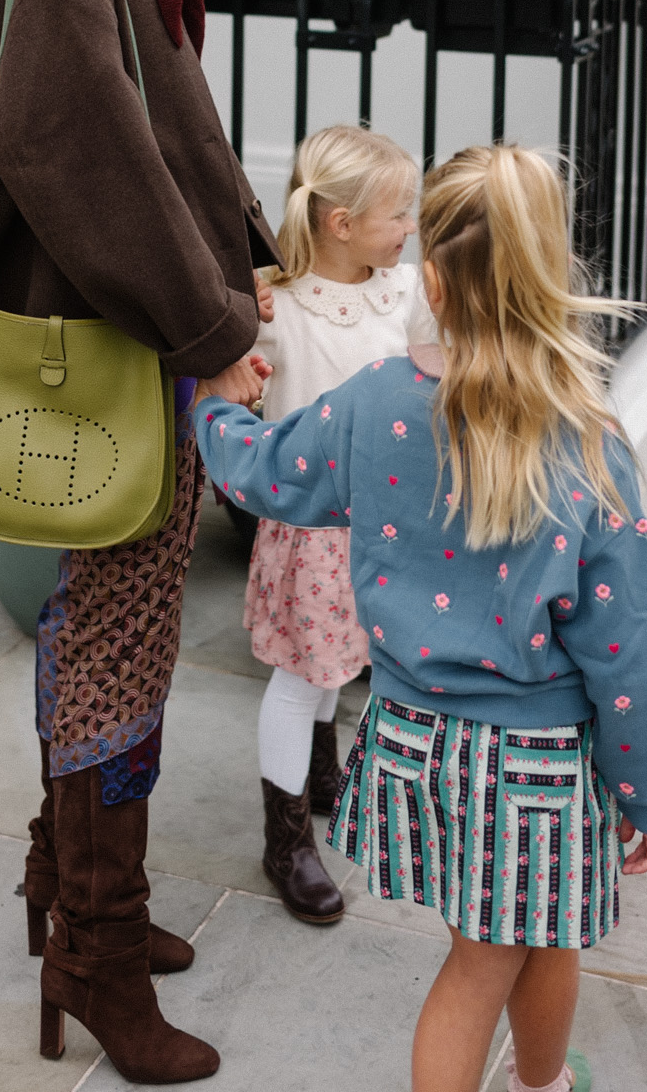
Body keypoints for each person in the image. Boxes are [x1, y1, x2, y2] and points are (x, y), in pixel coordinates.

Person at [195, 144, 647, 1092]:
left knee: (547, 932)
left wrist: (218, 406)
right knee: (483, 967)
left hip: (419, 740)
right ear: (551, 273)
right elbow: (629, 648)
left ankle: (542, 1082)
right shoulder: (584, 442)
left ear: (433, 277)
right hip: (534, 769)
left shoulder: (376, 405)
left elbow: (263, 473)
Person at [0, 0, 274, 1085]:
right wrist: (210, 329)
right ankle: (94, 945)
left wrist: (250, 262)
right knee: (116, 648)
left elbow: (169, 137)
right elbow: (81, 157)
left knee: (113, 633)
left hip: (134, 342)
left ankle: (64, 881)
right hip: (112, 357)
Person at [244, 124, 427, 925]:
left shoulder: (408, 289)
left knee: (340, 665)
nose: (410, 226)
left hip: (385, 523)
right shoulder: (276, 311)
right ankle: (285, 840)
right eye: (398, 214)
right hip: (315, 526)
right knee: (305, 675)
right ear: (340, 223)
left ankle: (323, 774)